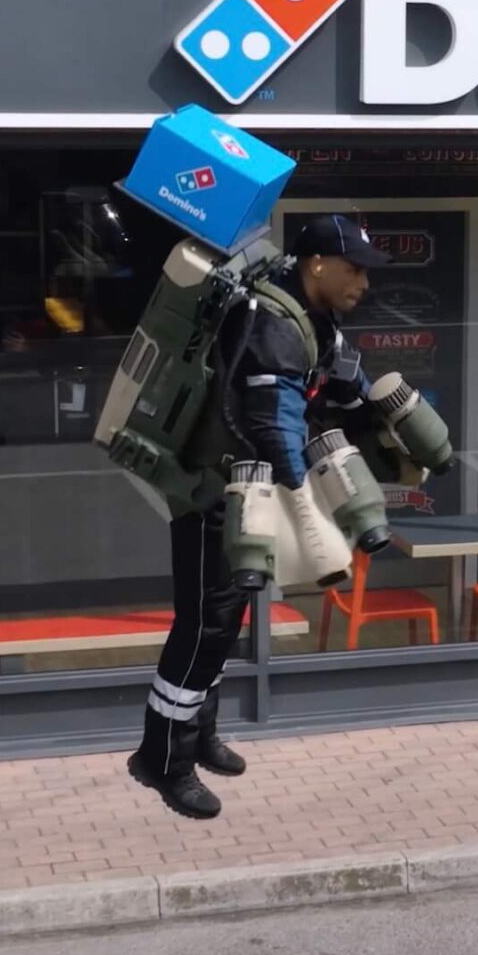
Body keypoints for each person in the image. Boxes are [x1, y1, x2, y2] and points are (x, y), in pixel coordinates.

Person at [129, 213, 391, 819]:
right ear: (318, 265)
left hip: (248, 492)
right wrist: (309, 500)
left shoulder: (313, 317)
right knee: (204, 624)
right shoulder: (272, 324)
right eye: (355, 270)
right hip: (213, 493)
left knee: (227, 617)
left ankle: (199, 735)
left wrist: (385, 419)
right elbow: (275, 425)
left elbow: (347, 381)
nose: (364, 284)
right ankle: (162, 759)